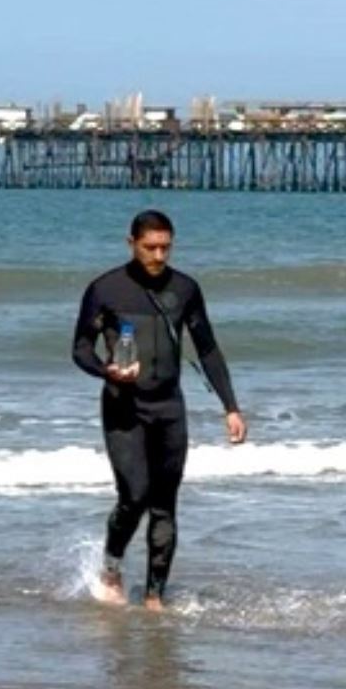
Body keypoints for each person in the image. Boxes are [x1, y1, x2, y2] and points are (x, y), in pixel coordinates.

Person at [74, 210, 246, 610]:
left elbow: (207, 348)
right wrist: (106, 371)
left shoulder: (185, 289)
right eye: (149, 247)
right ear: (131, 243)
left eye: (165, 248)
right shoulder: (105, 289)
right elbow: (80, 348)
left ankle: (155, 598)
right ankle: (112, 567)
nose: (158, 256)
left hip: (169, 407)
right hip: (124, 407)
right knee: (134, 496)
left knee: (165, 504)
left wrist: (231, 407)